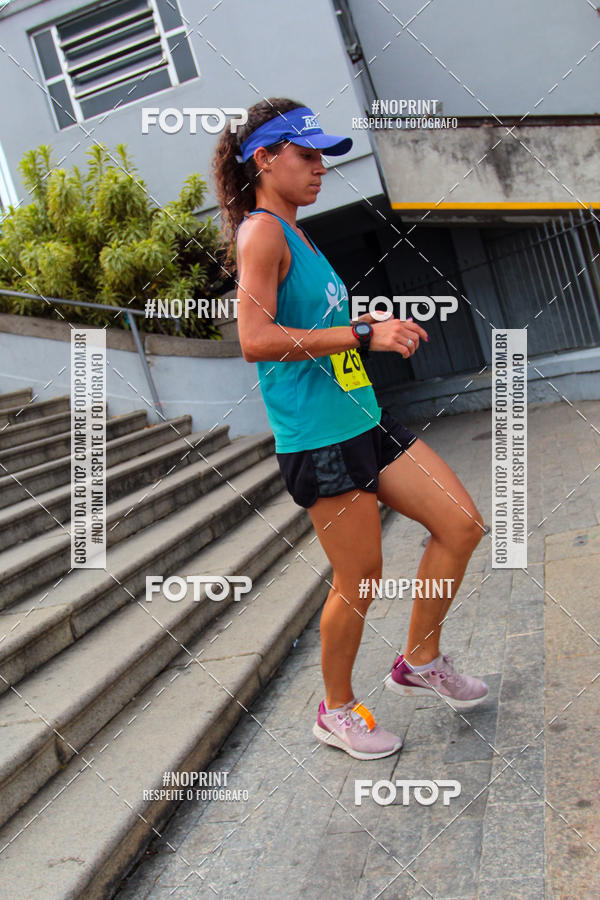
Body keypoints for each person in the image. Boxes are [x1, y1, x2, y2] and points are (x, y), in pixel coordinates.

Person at [212, 98, 488, 761]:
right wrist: (364, 331)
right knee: (359, 576)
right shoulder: (263, 234)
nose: (319, 170)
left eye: (323, 159)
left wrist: (369, 321)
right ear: (265, 159)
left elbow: (315, 322)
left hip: (363, 416)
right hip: (318, 436)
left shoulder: (298, 234)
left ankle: (420, 658)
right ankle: (335, 710)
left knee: (460, 523)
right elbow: (254, 337)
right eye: (306, 158)